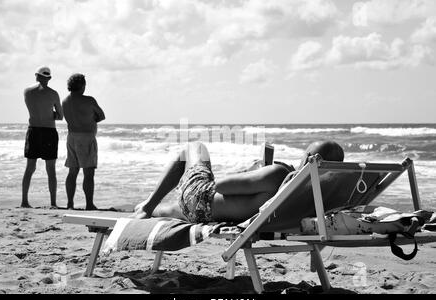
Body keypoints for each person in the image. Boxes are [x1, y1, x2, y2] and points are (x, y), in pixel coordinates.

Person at [133, 140, 344, 223]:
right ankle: (147, 208)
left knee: (194, 149)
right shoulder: (318, 195)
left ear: (307, 158)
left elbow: (221, 186)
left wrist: (252, 172)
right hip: (207, 214)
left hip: (200, 199)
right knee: (168, 210)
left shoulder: (280, 174)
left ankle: (147, 206)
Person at [21, 67, 63, 208]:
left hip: (33, 130)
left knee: (30, 168)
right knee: (50, 169)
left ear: (36, 76)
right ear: (49, 78)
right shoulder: (53, 94)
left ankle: (24, 201)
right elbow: (60, 116)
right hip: (49, 131)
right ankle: (53, 203)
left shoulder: (27, 92)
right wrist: (50, 113)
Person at [62, 74, 106, 210]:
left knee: (72, 171)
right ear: (81, 85)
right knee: (89, 173)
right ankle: (89, 204)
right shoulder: (89, 100)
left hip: (71, 137)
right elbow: (102, 116)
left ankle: (70, 203)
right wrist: (91, 119)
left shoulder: (65, 101)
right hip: (86, 137)